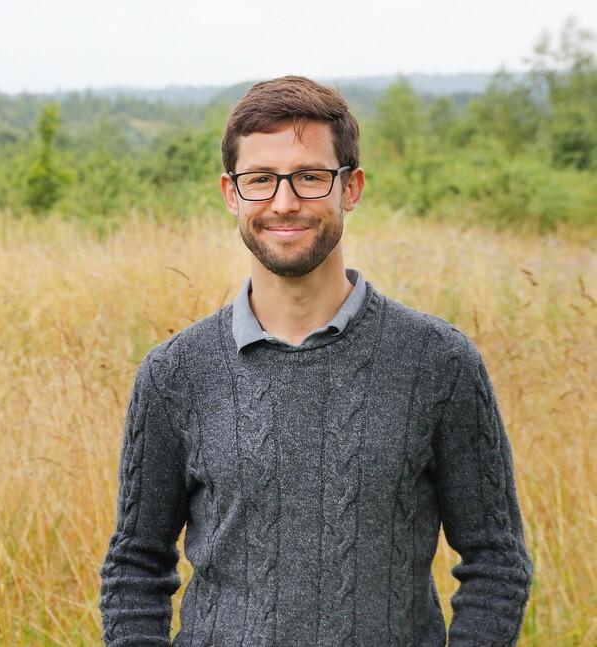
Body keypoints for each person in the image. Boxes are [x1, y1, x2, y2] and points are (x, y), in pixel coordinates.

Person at [99, 76, 531, 646]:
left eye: (309, 176)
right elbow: (135, 568)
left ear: (350, 188)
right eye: (260, 180)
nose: (284, 202)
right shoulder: (175, 375)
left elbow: (496, 562)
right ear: (231, 194)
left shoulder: (439, 363)